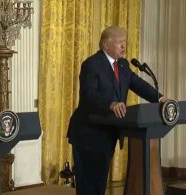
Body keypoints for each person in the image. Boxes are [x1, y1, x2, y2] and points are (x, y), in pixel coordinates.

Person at [67, 26, 166, 195]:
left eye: (125, 43)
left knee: (99, 183)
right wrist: (111, 104)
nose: (124, 46)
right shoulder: (91, 64)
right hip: (88, 133)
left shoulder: (123, 64)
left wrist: (161, 99)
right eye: (120, 43)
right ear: (106, 45)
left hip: (108, 133)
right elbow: (88, 95)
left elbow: (138, 84)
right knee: (88, 186)